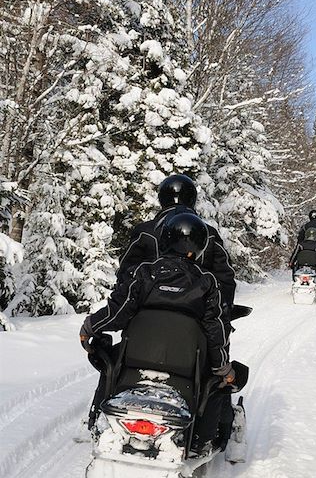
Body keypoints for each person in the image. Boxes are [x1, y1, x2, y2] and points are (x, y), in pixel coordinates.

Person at [80, 213, 235, 453]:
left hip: (136, 362)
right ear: (198, 248)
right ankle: (202, 442)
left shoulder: (144, 273)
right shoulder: (206, 282)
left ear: (164, 240)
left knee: (106, 356)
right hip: (184, 369)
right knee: (216, 382)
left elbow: (118, 310)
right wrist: (222, 367)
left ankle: (97, 419)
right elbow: (215, 329)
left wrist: (91, 326)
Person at [117, 174, 236, 312]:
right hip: (195, 311)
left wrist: (123, 301)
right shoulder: (208, 233)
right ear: (192, 198)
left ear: (163, 198)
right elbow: (225, 276)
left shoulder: (145, 231)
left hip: (147, 309)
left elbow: (126, 270)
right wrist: (224, 308)